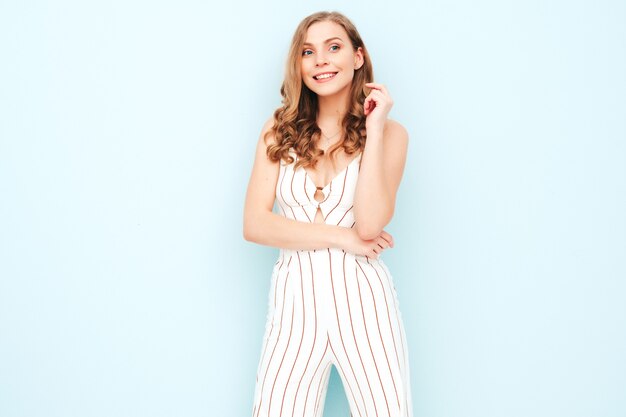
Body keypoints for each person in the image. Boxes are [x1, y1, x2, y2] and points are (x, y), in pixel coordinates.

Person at [243, 10, 412, 417]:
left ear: (358, 57)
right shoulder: (277, 131)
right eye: (308, 51)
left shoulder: (390, 134)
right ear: (298, 66)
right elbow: (255, 224)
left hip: (364, 305)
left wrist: (374, 128)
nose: (320, 60)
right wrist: (342, 237)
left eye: (333, 48)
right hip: (293, 308)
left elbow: (370, 223)